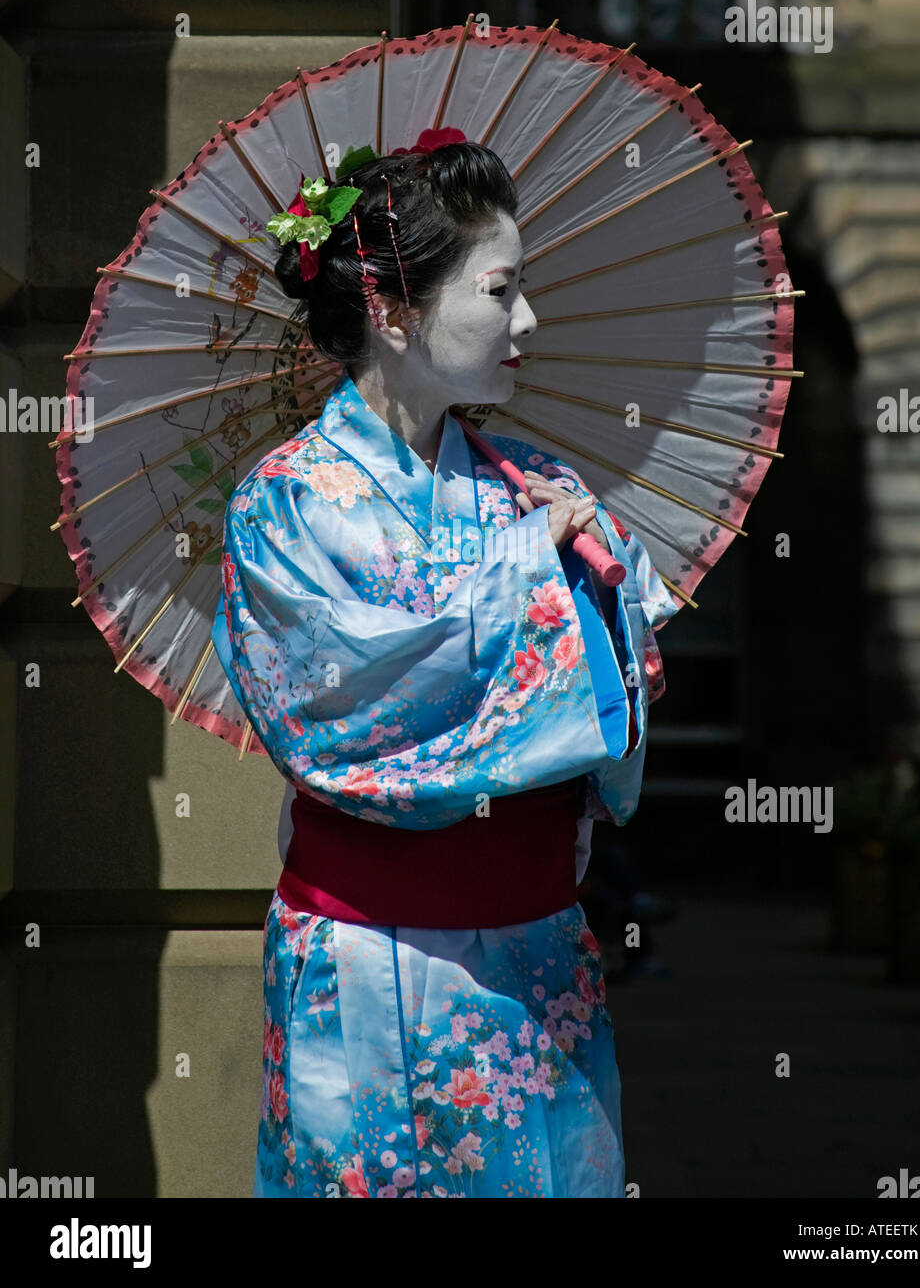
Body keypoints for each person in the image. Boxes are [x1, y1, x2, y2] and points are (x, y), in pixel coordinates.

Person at [211, 132, 680, 1198]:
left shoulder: (534, 484)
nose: (526, 322)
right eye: (501, 289)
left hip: (534, 954)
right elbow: (336, 719)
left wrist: (599, 588)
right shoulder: (284, 502)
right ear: (393, 307)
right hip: (358, 953)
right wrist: (534, 574)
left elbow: (623, 691)